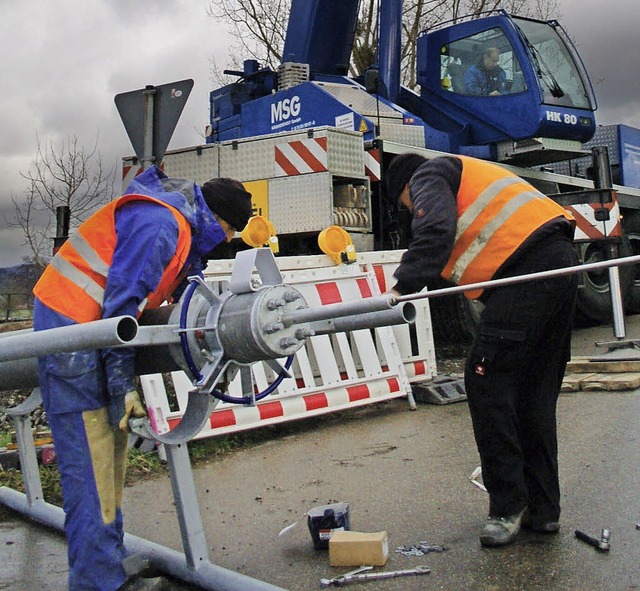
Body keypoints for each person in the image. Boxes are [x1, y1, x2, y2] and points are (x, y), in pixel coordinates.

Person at [32, 165, 253, 591]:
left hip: (81, 322)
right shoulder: (160, 223)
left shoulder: (176, 223)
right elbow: (121, 309)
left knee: (107, 456)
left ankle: (107, 568)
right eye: (229, 229)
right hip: (72, 326)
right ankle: (98, 582)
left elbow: (181, 280)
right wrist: (122, 386)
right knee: (91, 459)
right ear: (215, 217)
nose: (227, 239)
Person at [385, 153, 579, 548]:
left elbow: (435, 229)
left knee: (485, 381)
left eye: (405, 205)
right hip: (557, 266)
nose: (410, 211)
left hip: (525, 275)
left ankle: (507, 507)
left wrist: (402, 286)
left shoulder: (428, 174)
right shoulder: (466, 176)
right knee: (533, 396)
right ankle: (543, 511)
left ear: (405, 188)